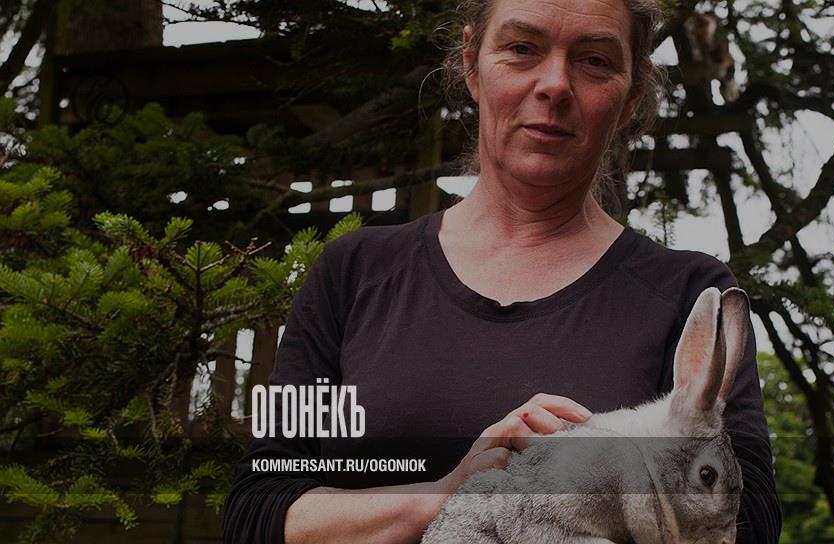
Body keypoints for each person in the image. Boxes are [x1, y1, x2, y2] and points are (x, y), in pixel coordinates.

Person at [221, 0, 782, 542]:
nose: (555, 85)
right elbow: (258, 512)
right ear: (471, 63)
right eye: (522, 48)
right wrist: (448, 496)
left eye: (594, 60)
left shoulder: (688, 295)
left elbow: (743, 524)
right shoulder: (353, 274)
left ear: (631, 93)